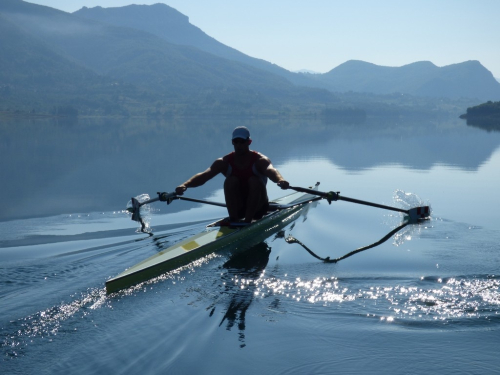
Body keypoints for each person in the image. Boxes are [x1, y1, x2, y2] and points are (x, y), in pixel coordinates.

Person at [174, 126, 289, 223]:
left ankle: (247, 222)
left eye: (242, 142)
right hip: (239, 207)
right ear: (232, 142)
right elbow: (205, 175)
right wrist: (185, 185)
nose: (238, 145)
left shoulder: (260, 160)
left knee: (254, 180)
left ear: (249, 142)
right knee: (231, 180)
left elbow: (271, 170)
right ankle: (234, 220)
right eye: (236, 142)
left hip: (259, 208)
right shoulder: (224, 162)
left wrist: (280, 180)